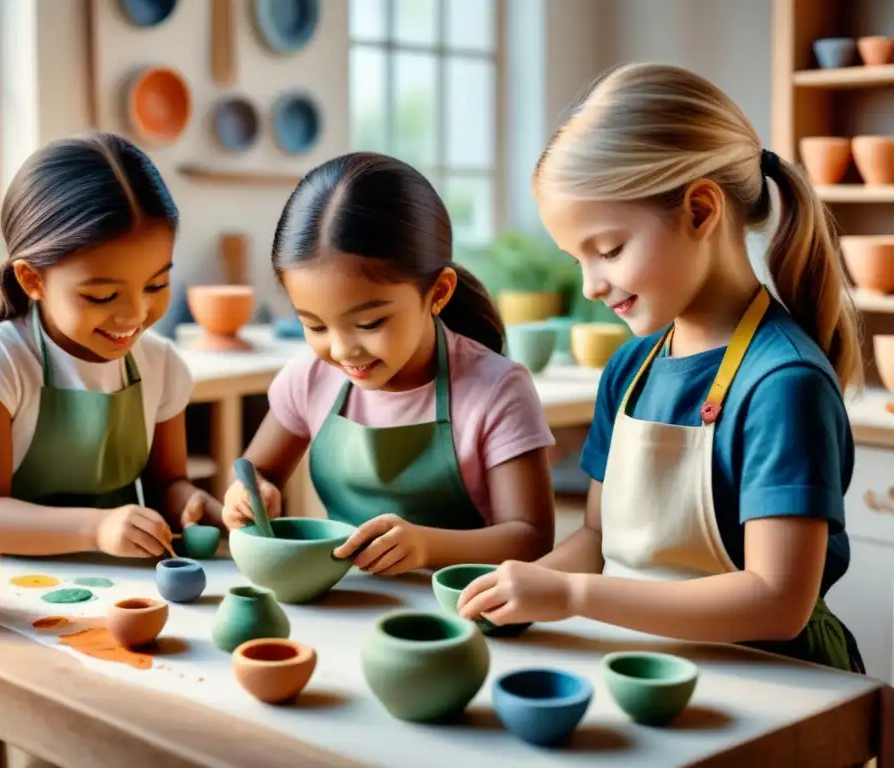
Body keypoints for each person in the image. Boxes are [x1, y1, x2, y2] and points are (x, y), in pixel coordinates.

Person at [457, 62, 865, 673]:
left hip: (778, 684)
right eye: (577, 259)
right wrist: (515, 589)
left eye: (610, 250)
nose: (592, 285)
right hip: (648, 668)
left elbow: (778, 601)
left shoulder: (784, 384)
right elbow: (595, 543)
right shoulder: (630, 371)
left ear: (701, 211)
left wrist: (572, 597)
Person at [220, 151, 557, 575]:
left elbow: (531, 537)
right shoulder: (310, 377)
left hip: (461, 612)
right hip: (346, 601)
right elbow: (257, 472)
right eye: (315, 326)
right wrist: (247, 495)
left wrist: (426, 546)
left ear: (438, 293)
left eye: (369, 323)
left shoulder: (496, 389)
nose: (343, 351)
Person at [0, 132, 220, 555]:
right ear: (33, 279)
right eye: (101, 296)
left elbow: (166, 485)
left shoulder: (161, 364)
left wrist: (193, 504)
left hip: (104, 574)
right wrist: (97, 529)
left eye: (156, 284)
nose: (134, 315)